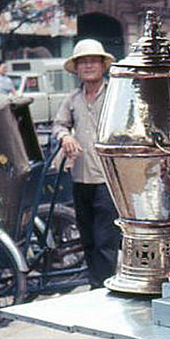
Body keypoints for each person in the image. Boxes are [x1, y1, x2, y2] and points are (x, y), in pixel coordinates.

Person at [52, 39, 121, 288]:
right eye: (83, 62)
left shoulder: (116, 96)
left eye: (93, 61)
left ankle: (102, 288)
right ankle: (96, 284)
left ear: (103, 66)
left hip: (108, 179)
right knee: (88, 237)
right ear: (77, 68)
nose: (88, 66)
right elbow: (59, 125)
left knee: (105, 239)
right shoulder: (72, 99)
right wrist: (65, 136)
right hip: (81, 177)